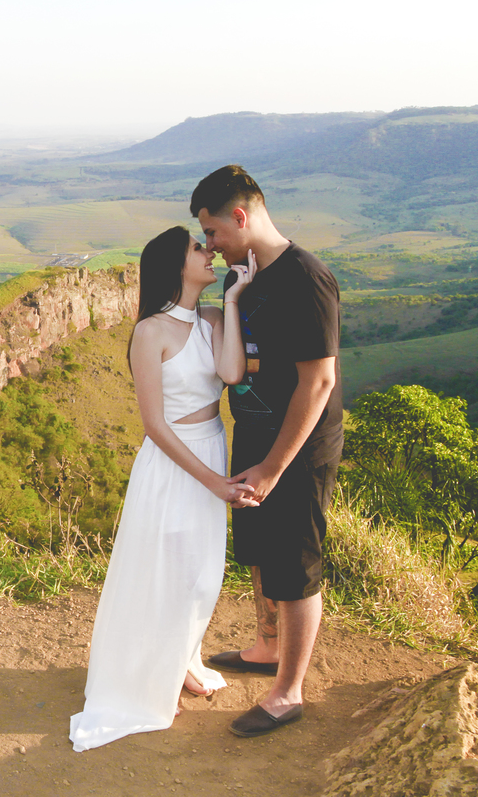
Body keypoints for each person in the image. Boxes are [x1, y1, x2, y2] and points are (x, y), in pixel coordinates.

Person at [69, 225, 256, 752]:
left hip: (211, 445)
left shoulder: (213, 319)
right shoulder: (150, 332)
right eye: (200, 249)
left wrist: (234, 300)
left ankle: (180, 659)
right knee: (166, 570)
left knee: (202, 574)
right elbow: (155, 425)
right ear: (175, 266)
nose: (210, 252)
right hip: (174, 463)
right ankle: (151, 676)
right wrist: (215, 483)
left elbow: (231, 370)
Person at [191, 165, 343, 738]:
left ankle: (287, 693)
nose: (211, 246)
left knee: (294, 565)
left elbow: (319, 382)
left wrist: (276, 468)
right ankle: (264, 648)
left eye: (213, 233)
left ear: (239, 216)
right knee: (258, 550)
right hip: (255, 434)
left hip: (297, 449)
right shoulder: (248, 275)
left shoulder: (305, 277)